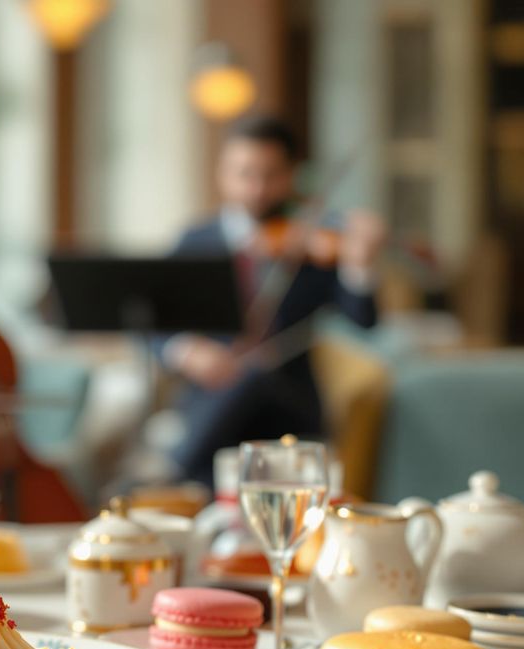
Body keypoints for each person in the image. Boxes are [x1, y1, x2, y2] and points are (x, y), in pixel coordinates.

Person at [165, 115, 385, 486]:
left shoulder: (316, 239)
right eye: (245, 173)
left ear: (291, 176)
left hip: (289, 413)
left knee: (255, 374)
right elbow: (155, 322)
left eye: (270, 175)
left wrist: (359, 265)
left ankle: (172, 470)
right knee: (242, 380)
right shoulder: (195, 242)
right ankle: (184, 468)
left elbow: (363, 320)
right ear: (222, 173)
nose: (257, 188)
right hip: (210, 412)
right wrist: (187, 351)